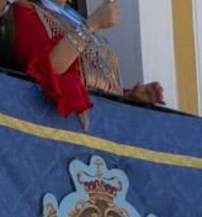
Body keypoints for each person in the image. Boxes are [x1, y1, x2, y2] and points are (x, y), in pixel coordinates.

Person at [11, 0, 166, 126]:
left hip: (104, 127)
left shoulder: (75, 18)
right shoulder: (26, 11)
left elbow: (94, 81)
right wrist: (91, 26)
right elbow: (49, 69)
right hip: (62, 124)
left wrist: (130, 97)